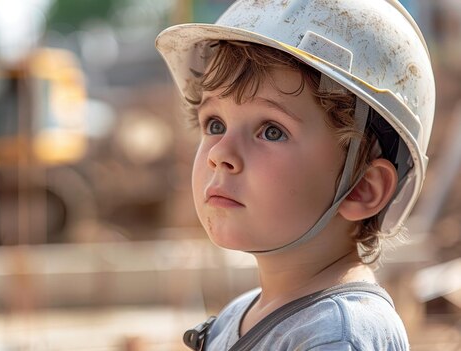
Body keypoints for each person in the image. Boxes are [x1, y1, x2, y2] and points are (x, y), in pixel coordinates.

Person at [155, 0, 435, 350]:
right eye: (215, 124)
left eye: (271, 131)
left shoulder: (335, 336)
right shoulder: (239, 315)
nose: (219, 154)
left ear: (362, 188)